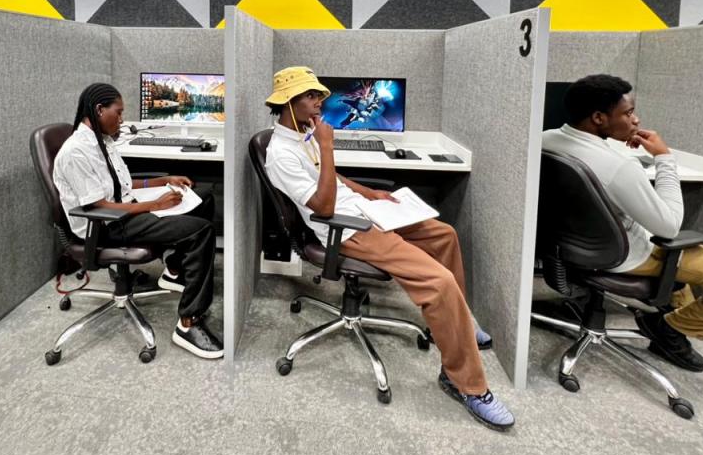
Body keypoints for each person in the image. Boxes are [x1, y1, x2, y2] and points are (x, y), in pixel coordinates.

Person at [263, 67, 514, 431]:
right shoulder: (281, 154)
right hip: (346, 229)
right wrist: (329, 146)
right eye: (311, 96)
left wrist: (372, 194)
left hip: (363, 210)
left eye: (319, 95)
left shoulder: (305, 133)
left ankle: (455, 326)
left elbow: (334, 179)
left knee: (444, 235)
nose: (320, 101)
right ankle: (466, 384)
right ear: (288, 101)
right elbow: (325, 207)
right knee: (438, 282)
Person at [542, 74, 703, 372]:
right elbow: (669, 228)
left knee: (687, 277)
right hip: (632, 256)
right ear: (598, 118)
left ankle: (677, 312)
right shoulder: (621, 167)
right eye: (628, 113)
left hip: (570, 247)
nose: (636, 120)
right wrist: (664, 158)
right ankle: (668, 327)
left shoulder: (544, 140)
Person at [52, 82, 223, 360]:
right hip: (105, 224)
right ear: (99, 110)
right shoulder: (76, 152)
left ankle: (176, 270)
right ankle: (188, 323)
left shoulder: (102, 140)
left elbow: (123, 184)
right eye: (118, 113)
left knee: (202, 197)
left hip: (122, 208)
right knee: (201, 231)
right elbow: (99, 205)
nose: (122, 119)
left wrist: (163, 181)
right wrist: (155, 205)